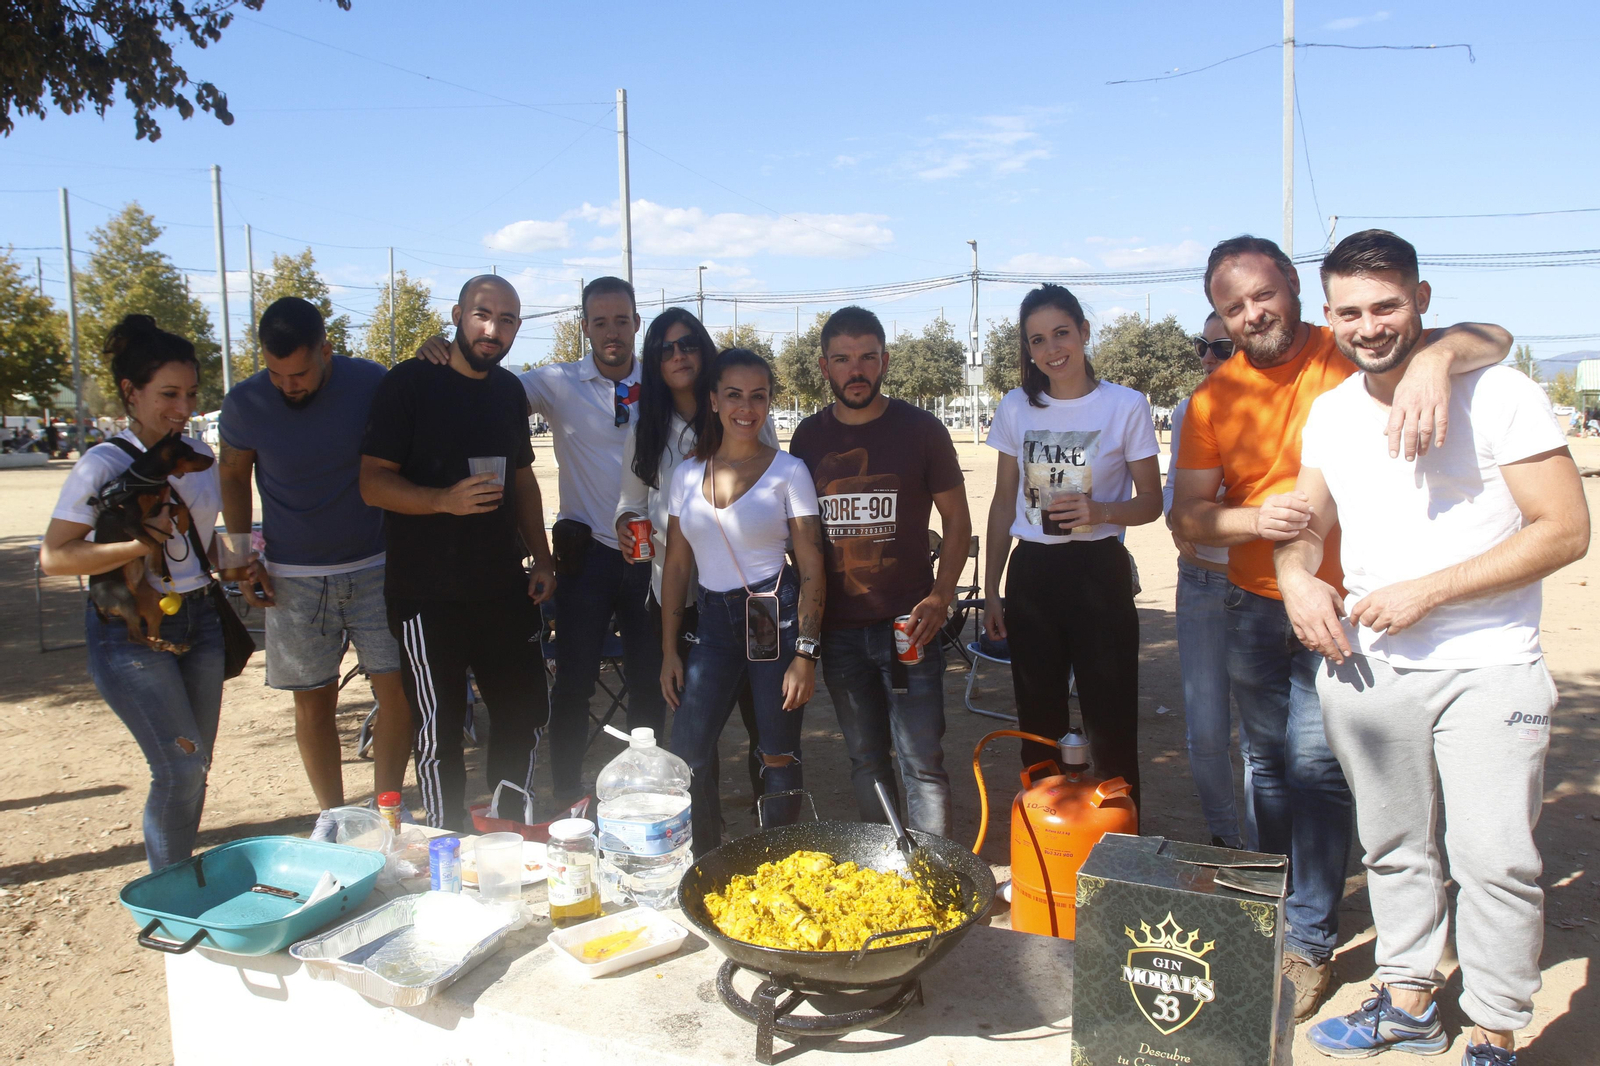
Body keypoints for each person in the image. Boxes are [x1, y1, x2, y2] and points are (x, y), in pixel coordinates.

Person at [1170, 234, 1514, 1020]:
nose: (1253, 313)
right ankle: (1280, 915)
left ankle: (1309, 944)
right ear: (1219, 316)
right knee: (1268, 768)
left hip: (1356, 610)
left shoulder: (1354, 344)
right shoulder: (1214, 399)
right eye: (1234, 305)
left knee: (1321, 770)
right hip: (1257, 605)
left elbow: (1493, 339)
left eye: (1264, 294)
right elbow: (1186, 517)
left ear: (1296, 290)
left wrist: (1435, 358)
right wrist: (1254, 515)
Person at [1277, 230, 1588, 1066]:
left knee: (1495, 860)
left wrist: (1430, 590)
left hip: (1489, 663)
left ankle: (1493, 1027)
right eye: (1350, 311)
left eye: (1386, 306)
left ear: (1421, 297)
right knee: (1393, 848)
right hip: (1370, 670)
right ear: (1329, 316)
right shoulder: (1333, 411)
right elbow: (1308, 525)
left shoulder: (1501, 392)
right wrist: (1298, 578)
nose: (1369, 326)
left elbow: (1565, 530)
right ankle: (1408, 997)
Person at [418, 276, 661, 804]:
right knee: (573, 684)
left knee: (649, 682)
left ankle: (647, 792)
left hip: (650, 554)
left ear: (637, 322)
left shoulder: (662, 383)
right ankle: (567, 792)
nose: (612, 332)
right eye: (600, 322)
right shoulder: (556, 382)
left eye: (622, 320)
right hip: (587, 556)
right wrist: (436, 350)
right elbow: (482, 385)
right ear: (585, 327)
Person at [361, 275, 557, 831]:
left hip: (501, 587)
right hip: (427, 594)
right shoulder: (409, 384)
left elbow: (523, 483)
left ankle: (509, 828)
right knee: (440, 730)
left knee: (523, 714)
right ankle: (446, 845)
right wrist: (441, 500)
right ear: (457, 314)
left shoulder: (507, 392)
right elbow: (372, 483)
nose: (492, 329)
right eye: (481, 314)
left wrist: (542, 561)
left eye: (507, 320)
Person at [218, 297, 413, 838]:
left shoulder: (372, 382)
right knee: (314, 700)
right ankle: (334, 819)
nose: (288, 385)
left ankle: (390, 812)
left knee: (396, 692)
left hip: (378, 566)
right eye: (276, 373)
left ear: (327, 349)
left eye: (300, 372)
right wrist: (238, 558)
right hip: (292, 579)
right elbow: (232, 476)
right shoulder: (244, 403)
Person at [40, 315, 224, 871]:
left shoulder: (196, 458)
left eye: (191, 394)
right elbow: (54, 556)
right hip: (130, 631)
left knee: (197, 765)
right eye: (168, 394)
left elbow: (203, 545)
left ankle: (179, 882)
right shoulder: (104, 463)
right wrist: (134, 544)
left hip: (202, 621)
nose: (182, 407)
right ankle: (169, 899)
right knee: (179, 768)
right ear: (131, 392)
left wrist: (244, 567)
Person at [789, 305, 971, 836]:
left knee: (923, 764)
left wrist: (941, 597)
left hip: (910, 627)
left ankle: (933, 871)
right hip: (840, 634)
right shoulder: (806, 440)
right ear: (824, 367)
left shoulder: (922, 430)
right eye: (843, 359)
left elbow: (957, 521)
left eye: (868, 356)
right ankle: (890, 866)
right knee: (866, 761)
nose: (857, 369)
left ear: (885, 360)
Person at [981, 284, 1163, 805]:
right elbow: (1000, 504)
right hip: (1033, 575)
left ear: (1084, 332)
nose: (1051, 349)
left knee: (1110, 715)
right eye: (1037, 340)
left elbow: (1151, 501)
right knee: (1038, 716)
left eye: (1061, 333)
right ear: (1027, 349)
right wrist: (992, 591)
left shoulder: (1125, 405)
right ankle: (1045, 834)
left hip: (1099, 571)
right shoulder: (1015, 407)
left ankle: (1115, 842)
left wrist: (1102, 511)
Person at [660, 349, 825, 853]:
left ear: (770, 402)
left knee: (776, 751)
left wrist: (806, 654)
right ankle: (704, 856)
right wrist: (669, 650)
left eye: (758, 396)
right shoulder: (687, 475)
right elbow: (677, 567)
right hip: (712, 622)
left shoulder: (789, 472)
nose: (746, 408)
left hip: (770, 616)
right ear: (713, 400)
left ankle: (780, 859)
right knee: (686, 753)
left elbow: (814, 569)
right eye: (734, 395)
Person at [613, 307, 773, 803]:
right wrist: (625, 525)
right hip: (678, 597)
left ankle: (771, 832)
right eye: (666, 349)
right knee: (690, 740)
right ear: (655, 362)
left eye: (688, 345)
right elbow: (630, 503)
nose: (678, 355)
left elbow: (772, 488)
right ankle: (702, 838)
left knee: (766, 730)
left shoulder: (740, 414)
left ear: (704, 352)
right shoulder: (645, 426)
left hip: (750, 595)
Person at [1163, 311, 1253, 850]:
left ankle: (1270, 853)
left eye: (1220, 348)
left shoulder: (1293, 409)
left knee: (1267, 741)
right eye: (1203, 345)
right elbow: (1180, 515)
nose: (1205, 358)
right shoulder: (1188, 410)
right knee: (1206, 733)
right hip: (1200, 583)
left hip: (1268, 589)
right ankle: (1227, 840)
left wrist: (1212, 508)